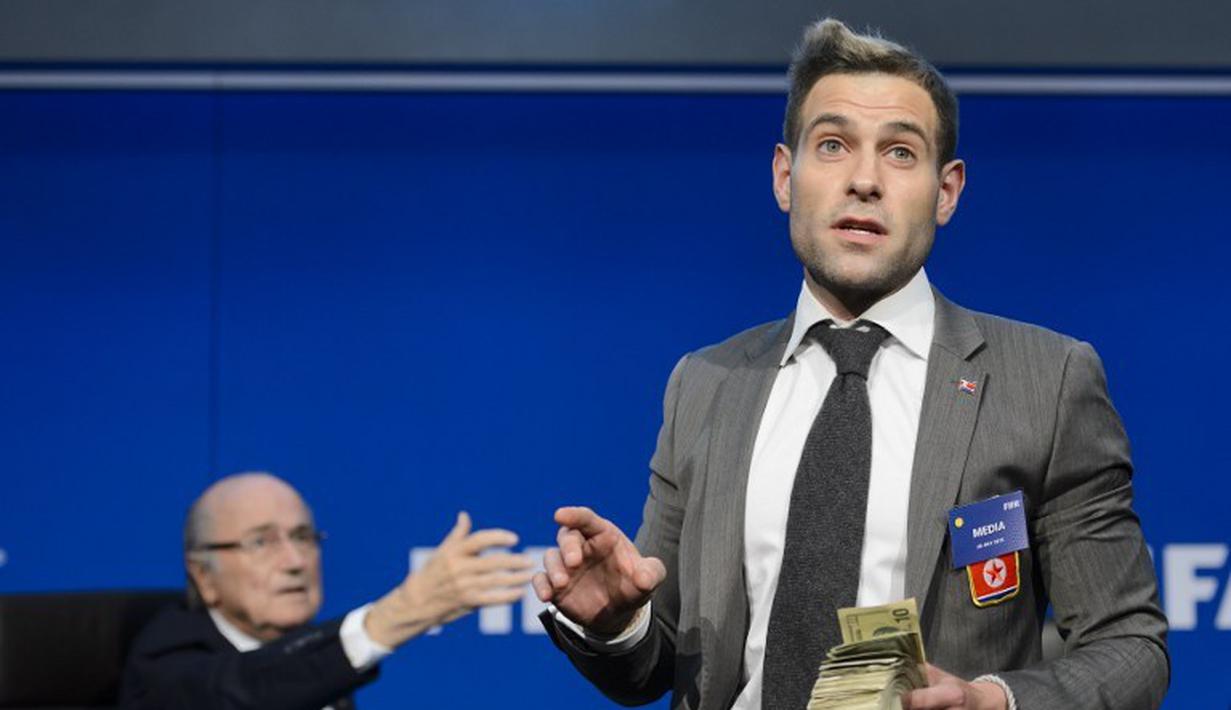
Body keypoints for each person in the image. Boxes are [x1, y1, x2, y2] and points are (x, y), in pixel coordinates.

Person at [532, 18, 1168, 710]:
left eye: (899, 152)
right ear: (784, 176)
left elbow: (1128, 649)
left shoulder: (1044, 382)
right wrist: (616, 622)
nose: (864, 180)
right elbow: (655, 666)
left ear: (946, 191)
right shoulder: (705, 385)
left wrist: (994, 701)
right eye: (832, 145)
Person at [121, 471, 533, 709]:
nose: (295, 560)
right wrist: (392, 618)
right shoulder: (163, 663)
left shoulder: (309, 652)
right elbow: (247, 692)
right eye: (260, 542)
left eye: (303, 537)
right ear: (203, 576)